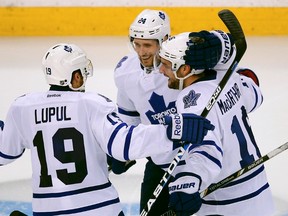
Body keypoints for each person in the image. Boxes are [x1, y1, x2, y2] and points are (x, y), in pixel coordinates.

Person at [0, 43, 215, 215]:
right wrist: (173, 130)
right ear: (76, 77)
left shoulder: (23, 108)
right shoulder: (92, 103)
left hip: (47, 210)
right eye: (82, 73)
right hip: (98, 209)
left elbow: (3, 151)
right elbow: (125, 145)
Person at [158, 30, 275, 215]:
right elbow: (254, 92)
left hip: (226, 205)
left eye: (166, 65)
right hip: (261, 195)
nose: (161, 70)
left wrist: (187, 183)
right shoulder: (229, 79)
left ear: (185, 69)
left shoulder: (191, 100)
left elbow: (207, 149)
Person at [113, 9, 181, 215]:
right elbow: (129, 119)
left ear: (165, 40)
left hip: (193, 161)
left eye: (148, 45)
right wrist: (122, 152)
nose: (141, 52)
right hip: (159, 163)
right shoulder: (126, 72)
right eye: (137, 44)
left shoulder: (185, 62)